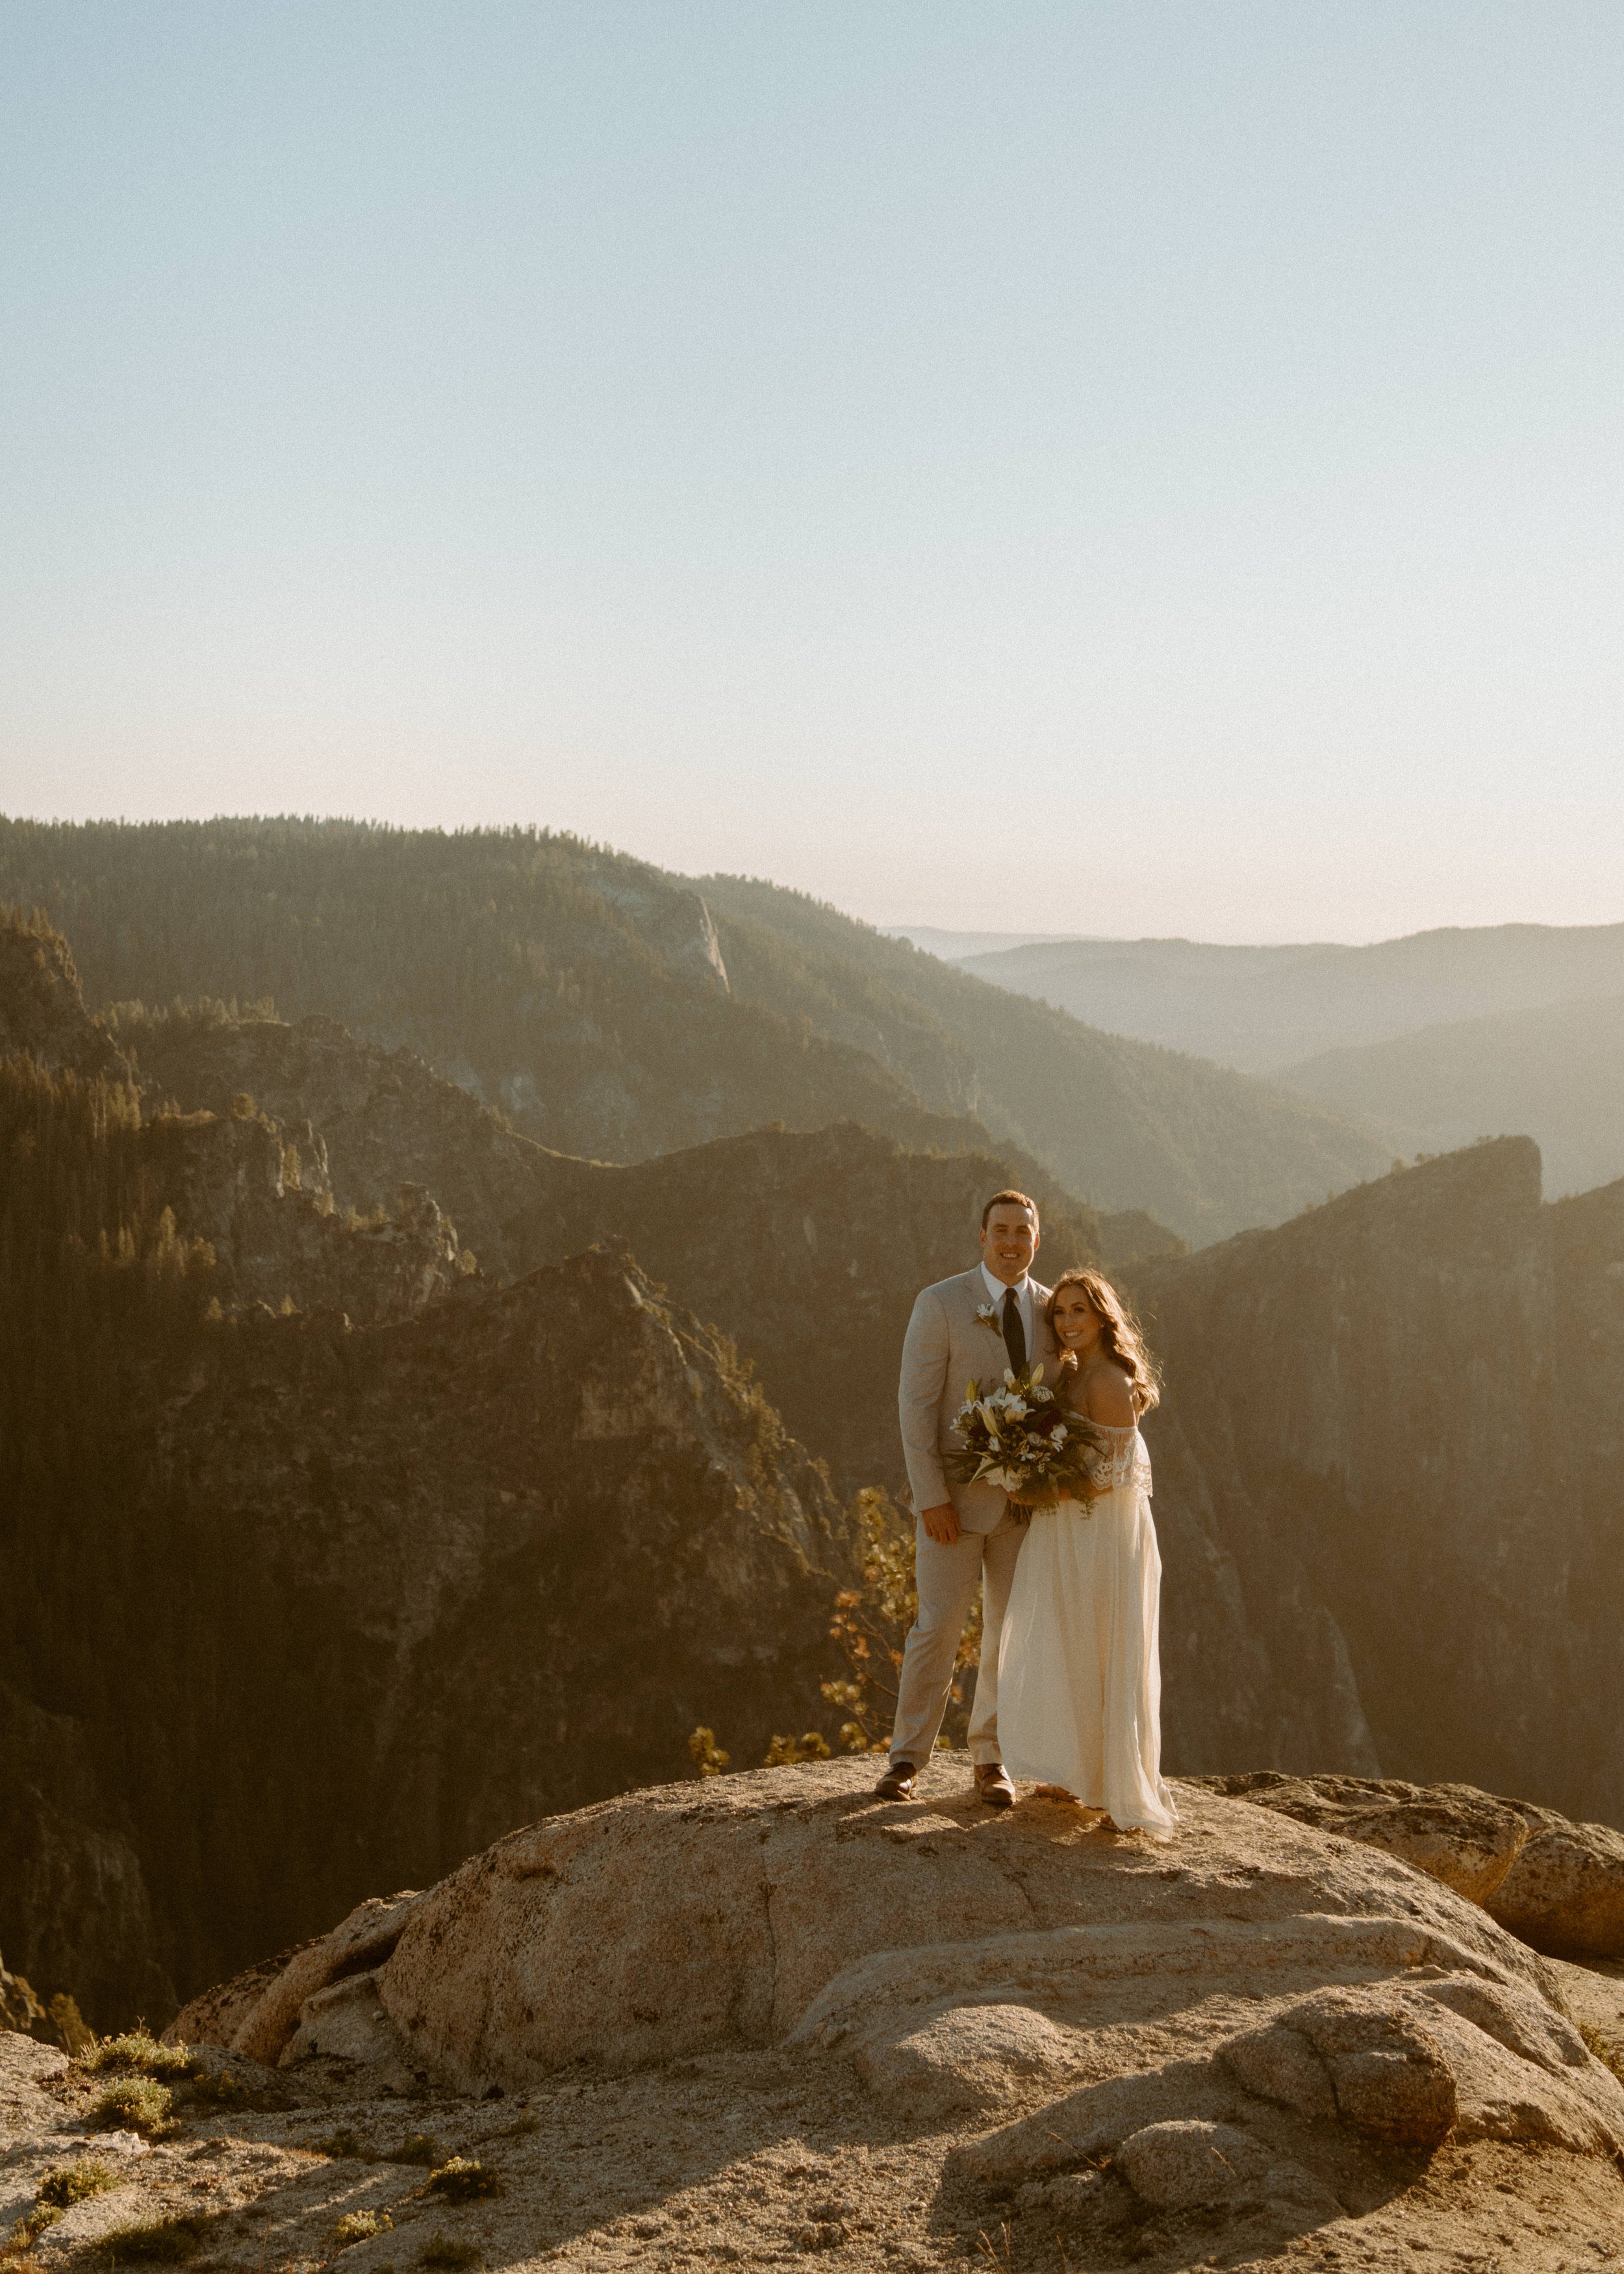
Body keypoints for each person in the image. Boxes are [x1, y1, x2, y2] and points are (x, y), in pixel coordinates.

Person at [878, 1190, 1056, 1807]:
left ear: (1039, 1240)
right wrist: (930, 1499)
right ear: (982, 1239)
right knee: (938, 1628)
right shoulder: (941, 1303)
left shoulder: (1052, 1310)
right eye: (1000, 1231)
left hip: (1024, 1509)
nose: (1011, 1242)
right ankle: (906, 1760)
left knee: (1009, 1634)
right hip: (950, 1506)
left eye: (1022, 1232)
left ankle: (992, 1760)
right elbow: (916, 1406)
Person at [995, 1268, 1178, 1837]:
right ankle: (1079, 1770)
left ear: (1103, 1316)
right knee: (1067, 1637)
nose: (1069, 1322)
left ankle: (1119, 1787)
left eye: (1080, 1311)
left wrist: (1037, 1489)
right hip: (1065, 1526)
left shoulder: (1111, 1380)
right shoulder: (1070, 1376)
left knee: (1105, 1642)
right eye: (1061, 1313)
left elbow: (1116, 1471)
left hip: (1103, 1529)